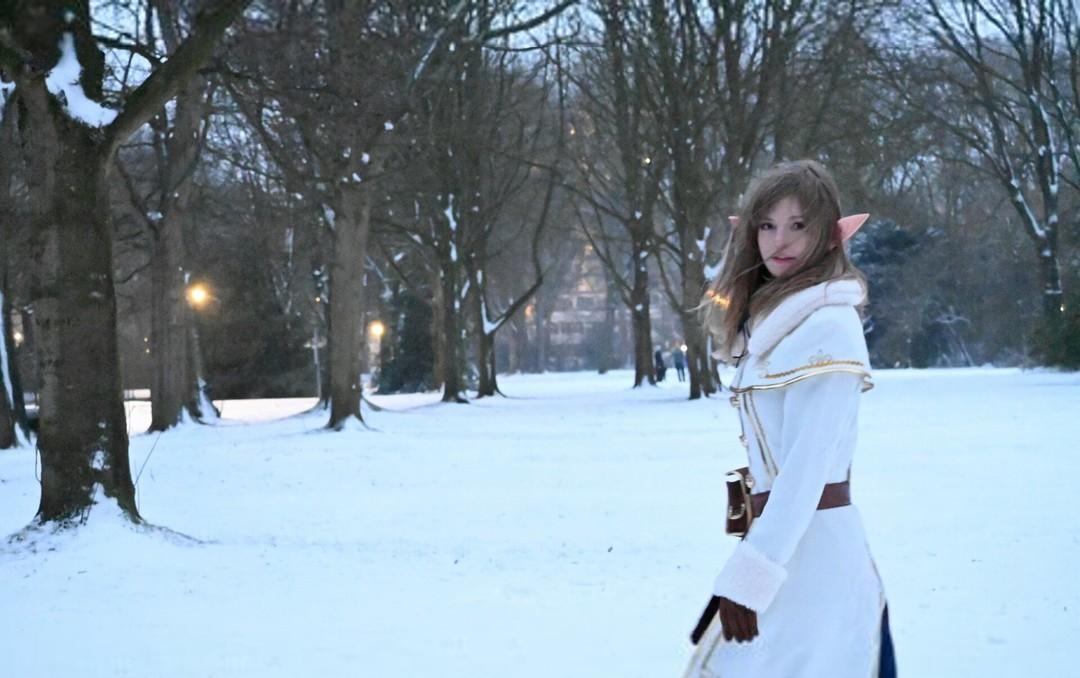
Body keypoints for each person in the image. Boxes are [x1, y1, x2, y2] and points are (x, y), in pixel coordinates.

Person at [683, 160, 896, 678]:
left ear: (828, 234)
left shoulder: (828, 328)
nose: (780, 240)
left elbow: (805, 470)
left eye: (799, 225)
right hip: (782, 546)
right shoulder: (776, 326)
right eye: (768, 225)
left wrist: (752, 575)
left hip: (815, 558)